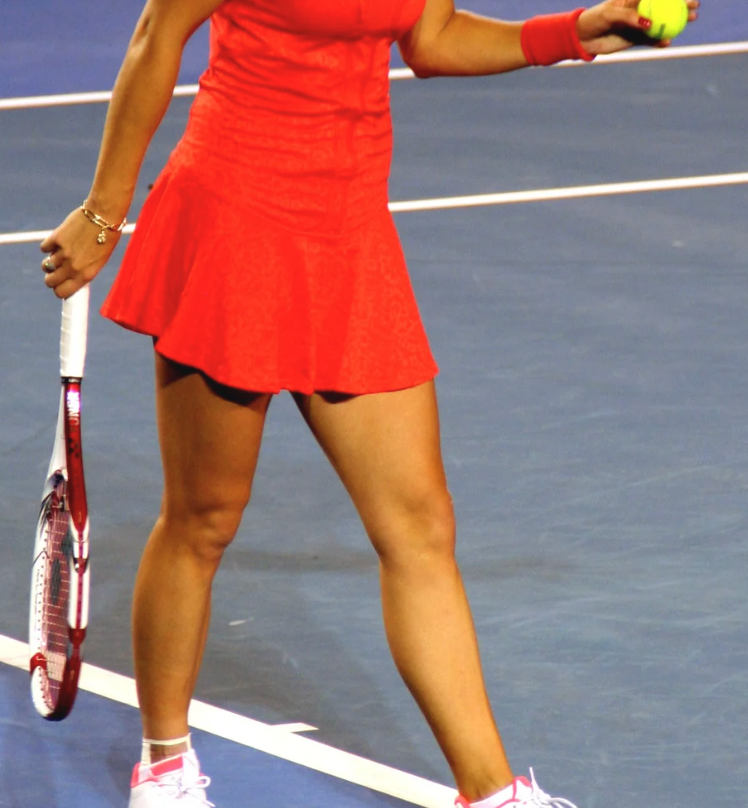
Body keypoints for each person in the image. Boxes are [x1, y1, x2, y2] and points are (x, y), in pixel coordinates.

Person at [40, 0, 699, 806]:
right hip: (235, 220)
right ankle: (165, 764)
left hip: (349, 232)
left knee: (419, 526)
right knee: (204, 518)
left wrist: (570, 34)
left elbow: (430, 35)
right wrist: (105, 214)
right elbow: (156, 39)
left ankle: (490, 792)